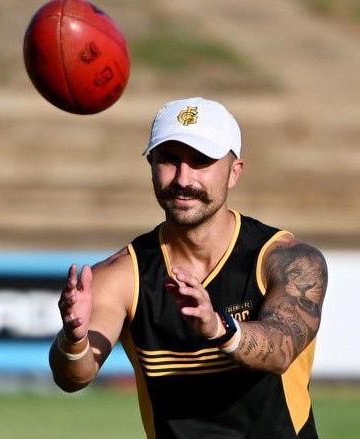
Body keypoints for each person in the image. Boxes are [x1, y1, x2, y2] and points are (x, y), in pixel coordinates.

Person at [50, 96, 328, 439]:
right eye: (169, 159)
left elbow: (281, 349)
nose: (183, 178)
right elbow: (73, 377)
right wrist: (73, 339)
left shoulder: (288, 260)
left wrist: (217, 328)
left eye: (201, 161)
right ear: (151, 164)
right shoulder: (123, 274)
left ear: (234, 172)